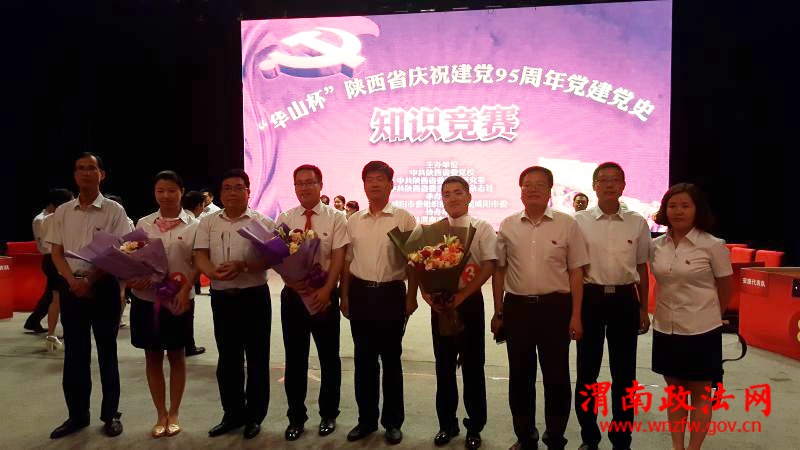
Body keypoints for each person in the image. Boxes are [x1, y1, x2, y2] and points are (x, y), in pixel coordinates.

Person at [493, 166, 589, 450]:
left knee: (556, 376)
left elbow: (576, 272)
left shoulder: (567, 224)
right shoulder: (508, 225)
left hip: (555, 308)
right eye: (527, 184)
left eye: (539, 184)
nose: (532, 189)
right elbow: (499, 270)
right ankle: (525, 437)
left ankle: (555, 436)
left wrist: (576, 315)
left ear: (550, 191)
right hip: (518, 308)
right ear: (520, 191)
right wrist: (498, 312)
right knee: (520, 376)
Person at [47, 152, 131, 439]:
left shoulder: (114, 211)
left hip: (103, 287)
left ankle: (111, 414)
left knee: (107, 352)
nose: (85, 173)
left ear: (101, 174)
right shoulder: (63, 211)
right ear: (74, 175)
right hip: (71, 288)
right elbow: (56, 251)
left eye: (91, 168)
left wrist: (91, 279)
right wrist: (72, 281)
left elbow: (117, 251)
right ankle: (77, 415)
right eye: (80, 168)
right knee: (75, 354)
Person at [573, 162, 652, 450]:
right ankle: (589, 437)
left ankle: (621, 438)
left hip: (624, 300)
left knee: (625, 375)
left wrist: (643, 308)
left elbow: (642, 268)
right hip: (590, 299)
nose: (609, 184)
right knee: (587, 373)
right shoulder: (579, 221)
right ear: (594, 186)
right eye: (603, 179)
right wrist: (574, 313)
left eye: (615, 179)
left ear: (623, 186)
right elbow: (574, 269)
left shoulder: (637, 222)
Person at [341, 161, 418, 445]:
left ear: (390, 184)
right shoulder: (353, 220)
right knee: (364, 360)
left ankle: (393, 422)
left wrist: (412, 296)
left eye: (380, 179)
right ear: (363, 185)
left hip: (391, 294)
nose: (374, 184)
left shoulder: (404, 219)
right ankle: (366, 420)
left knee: (391, 360)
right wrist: (344, 296)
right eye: (369, 179)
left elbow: (414, 262)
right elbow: (347, 262)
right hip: (361, 293)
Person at [650, 183, 732, 450]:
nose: (678, 211)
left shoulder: (713, 245)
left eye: (685, 206)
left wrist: (714, 315)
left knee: (700, 393)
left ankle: (694, 448)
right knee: (675, 392)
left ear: (697, 209)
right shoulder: (656, 245)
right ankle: (678, 447)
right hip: (666, 327)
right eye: (672, 206)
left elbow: (725, 285)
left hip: (701, 329)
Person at [194, 169, 274, 440]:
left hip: (254, 296)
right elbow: (200, 255)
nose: (232, 192)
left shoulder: (262, 222)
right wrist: (212, 273)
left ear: (248, 191)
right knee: (228, 359)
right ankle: (232, 414)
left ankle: (255, 416)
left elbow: (271, 259)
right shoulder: (208, 222)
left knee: (257, 358)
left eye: (238, 187)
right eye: (227, 187)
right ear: (220, 193)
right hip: (222, 297)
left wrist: (244, 266)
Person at [419, 176, 496, 450]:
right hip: (441, 306)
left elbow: (489, 265)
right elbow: (420, 265)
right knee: (444, 367)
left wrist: (463, 295)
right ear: (442, 199)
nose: (452, 198)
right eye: (447, 194)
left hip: (470, 303)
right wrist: (427, 295)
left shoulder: (481, 228)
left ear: (469, 196)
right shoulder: (432, 231)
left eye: (458, 192)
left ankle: (474, 426)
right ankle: (447, 424)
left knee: (473, 367)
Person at [277, 165, 348, 441]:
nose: (304, 187)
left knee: (329, 358)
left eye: (310, 182)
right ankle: (296, 417)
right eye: (299, 183)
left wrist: (329, 289)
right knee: (295, 359)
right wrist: (290, 280)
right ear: (295, 187)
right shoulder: (286, 217)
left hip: (323, 296)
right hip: (293, 297)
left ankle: (328, 414)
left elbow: (339, 256)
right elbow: (276, 255)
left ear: (320, 185)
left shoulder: (336, 217)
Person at [127, 170, 199, 438]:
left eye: (171, 190)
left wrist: (186, 288)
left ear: (181, 192)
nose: (166, 195)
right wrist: (134, 279)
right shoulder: (144, 223)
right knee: (153, 356)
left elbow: (198, 262)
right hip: (147, 300)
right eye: (160, 191)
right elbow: (132, 258)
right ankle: (160, 413)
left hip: (179, 300)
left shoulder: (195, 225)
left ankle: (175, 413)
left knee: (177, 355)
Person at [24, 188, 74, 344]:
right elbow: (47, 244)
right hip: (55, 258)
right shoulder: (47, 219)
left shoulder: (50, 218)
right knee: (61, 297)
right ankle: (62, 331)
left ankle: (48, 330)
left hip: (54, 258)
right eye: (71, 200)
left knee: (54, 297)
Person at [179, 189, 207, 356]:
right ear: (198, 206)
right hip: (186, 278)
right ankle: (188, 346)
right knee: (187, 314)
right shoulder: (196, 224)